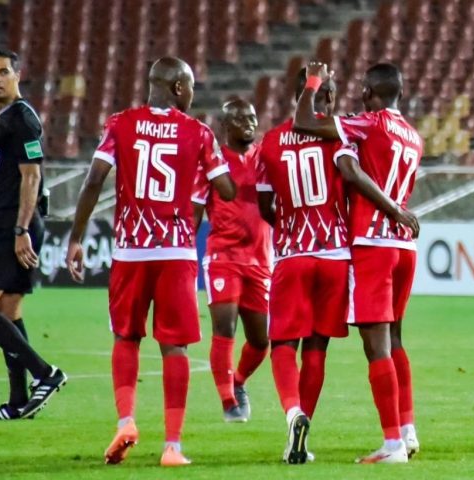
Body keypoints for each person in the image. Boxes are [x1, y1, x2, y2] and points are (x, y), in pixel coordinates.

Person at [65, 57, 235, 467]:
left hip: (130, 250)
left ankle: (126, 421)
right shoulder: (197, 132)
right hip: (176, 251)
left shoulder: (120, 123)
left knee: (127, 338)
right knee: (173, 346)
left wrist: (76, 237)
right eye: (191, 88)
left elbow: (93, 181)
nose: (193, 96)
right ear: (178, 88)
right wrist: (209, 164)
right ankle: (172, 447)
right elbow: (227, 190)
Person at [292, 62, 421, 463]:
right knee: (395, 339)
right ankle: (408, 430)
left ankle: (392, 444)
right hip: (404, 248)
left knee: (376, 343)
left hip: (375, 242)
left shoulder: (370, 124)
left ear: (369, 92)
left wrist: (313, 82)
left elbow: (304, 123)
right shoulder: (414, 135)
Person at [255, 69, 351, 464]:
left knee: (283, 344)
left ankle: (293, 413)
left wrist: (293, 231)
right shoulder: (340, 135)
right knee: (317, 346)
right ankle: (302, 433)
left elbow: (264, 206)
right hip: (335, 255)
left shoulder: (271, 142)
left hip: (293, 255)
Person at [0, 48, 66, 421]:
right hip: (12, 223)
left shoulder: (23, 119)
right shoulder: (6, 118)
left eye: (2, 71)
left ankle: (46, 373)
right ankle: (18, 402)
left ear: (17, 74)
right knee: (8, 310)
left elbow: (32, 176)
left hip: (13, 225)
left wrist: (19, 229)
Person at [192, 98, 269, 423]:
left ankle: (237, 382)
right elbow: (195, 208)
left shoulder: (266, 158)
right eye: (241, 119)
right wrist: (183, 252)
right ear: (226, 125)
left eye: (252, 117)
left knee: (261, 340)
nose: (249, 123)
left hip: (260, 259)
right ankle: (228, 402)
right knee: (225, 327)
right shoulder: (212, 161)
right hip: (223, 256)